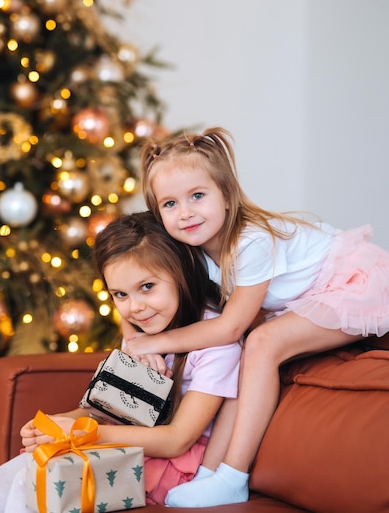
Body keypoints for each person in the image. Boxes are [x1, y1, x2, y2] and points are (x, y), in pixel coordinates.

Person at [122, 126, 389, 508]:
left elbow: (229, 325)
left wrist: (156, 342)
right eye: (170, 204)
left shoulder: (250, 241)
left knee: (262, 341)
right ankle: (209, 474)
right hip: (304, 296)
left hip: (351, 282)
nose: (186, 213)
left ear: (227, 196)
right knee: (243, 351)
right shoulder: (191, 249)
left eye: (197, 196)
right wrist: (136, 342)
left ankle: (233, 475)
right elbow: (133, 285)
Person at [0, 211, 242, 512]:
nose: (136, 308)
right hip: (124, 444)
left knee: (33, 486)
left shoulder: (217, 347)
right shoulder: (144, 336)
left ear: (182, 273)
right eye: (120, 294)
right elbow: (107, 412)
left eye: (147, 287)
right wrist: (60, 424)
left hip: (172, 464)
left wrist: (86, 433)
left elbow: (177, 440)